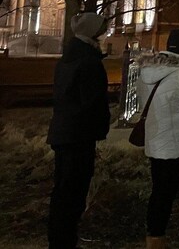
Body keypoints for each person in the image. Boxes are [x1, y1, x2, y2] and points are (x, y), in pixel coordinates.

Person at [47, 12, 110, 249]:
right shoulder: (88, 61)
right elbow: (92, 101)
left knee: (63, 189)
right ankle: (64, 240)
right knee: (73, 190)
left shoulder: (69, 57)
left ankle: (60, 238)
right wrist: (99, 127)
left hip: (65, 131)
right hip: (79, 134)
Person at [136, 28, 179, 249]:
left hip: (155, 138)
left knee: (160, 190)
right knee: (168, 191)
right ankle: (158, 235)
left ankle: (154, 235)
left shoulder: (147, 71)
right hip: (176, 143)